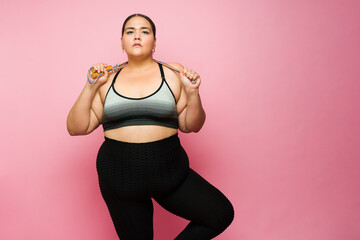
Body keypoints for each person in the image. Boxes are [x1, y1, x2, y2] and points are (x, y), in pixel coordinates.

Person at [66, 13, 234, 240]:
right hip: (119, 180)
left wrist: (193, 93)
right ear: (122, 42)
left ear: (154, 41)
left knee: (220, 213)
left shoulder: (174, 74)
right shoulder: (106, 79)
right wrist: (89, 86)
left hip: (170, 174)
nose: (137, 36)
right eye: (130, 32)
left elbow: (191, 126)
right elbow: (76, 128)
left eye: (145, 32)